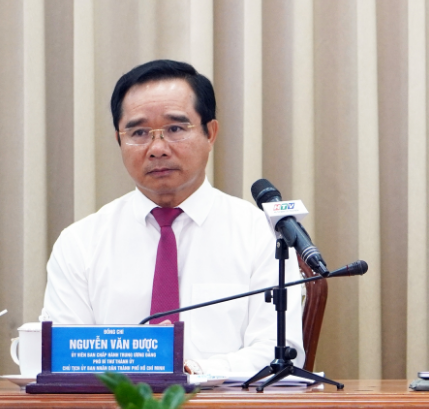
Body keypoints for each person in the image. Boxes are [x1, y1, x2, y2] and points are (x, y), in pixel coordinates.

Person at [41, 60, 303, 376]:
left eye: (175, 129)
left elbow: (279, 354)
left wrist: (193, 370)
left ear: (211, 133)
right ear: (119, 141)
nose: (157, 148)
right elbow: (62, 358)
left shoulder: (261, 234)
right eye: (138, 132)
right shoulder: (80, 243)